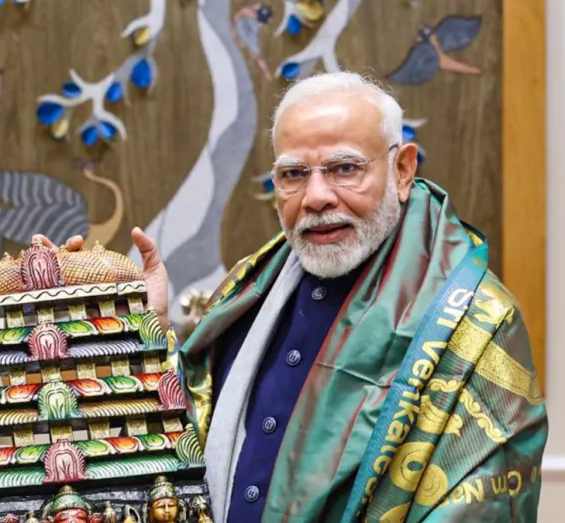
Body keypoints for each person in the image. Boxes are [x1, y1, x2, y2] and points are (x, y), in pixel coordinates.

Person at [167, 72, 548, 522]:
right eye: (293, 174)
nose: (316, 197)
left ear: (402, 170)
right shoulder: (249, 291)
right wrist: (146, 324)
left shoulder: (477, 321)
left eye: (344, 169)